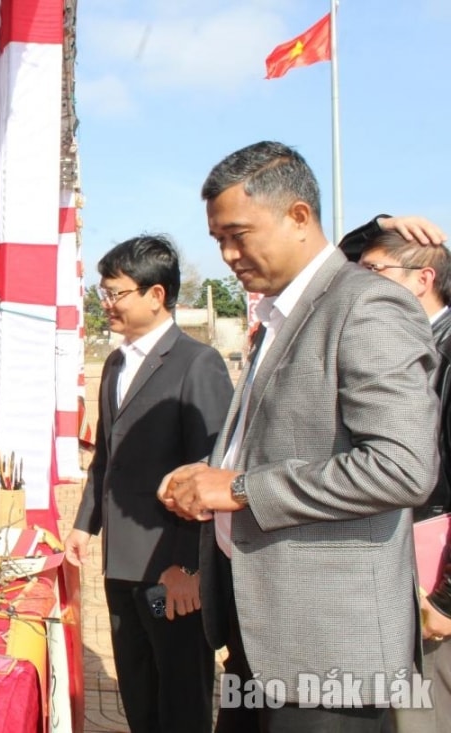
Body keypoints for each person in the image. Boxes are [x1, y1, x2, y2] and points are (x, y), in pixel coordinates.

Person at [158, 141, 440, 732]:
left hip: (328, 647)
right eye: (217, 240)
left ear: (298, 217)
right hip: (258, 633)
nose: (228, 254)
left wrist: (237, 488)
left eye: (238, 234)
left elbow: (401, 466)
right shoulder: (281, 317)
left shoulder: (366, 305)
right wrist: (205, 476)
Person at [64, 235, 232, 733]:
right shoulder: (115, 363)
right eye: (103, 292)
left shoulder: (197, 364)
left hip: (169, 571)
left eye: (116, 293)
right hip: (121, 564)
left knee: (180, 698)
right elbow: (107, 459)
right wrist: (83, 526)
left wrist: (187, 567)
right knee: (138, 692)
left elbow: (210, 476)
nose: (107, 304)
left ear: (156, 295)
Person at [355, 231, 451, 733]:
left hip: (435, 575)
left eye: (375, 273)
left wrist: (446, 599)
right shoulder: (410, 342)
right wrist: (386, 222)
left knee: (425, 716)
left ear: (424, 279)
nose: (360, 283)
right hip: (402, 560)